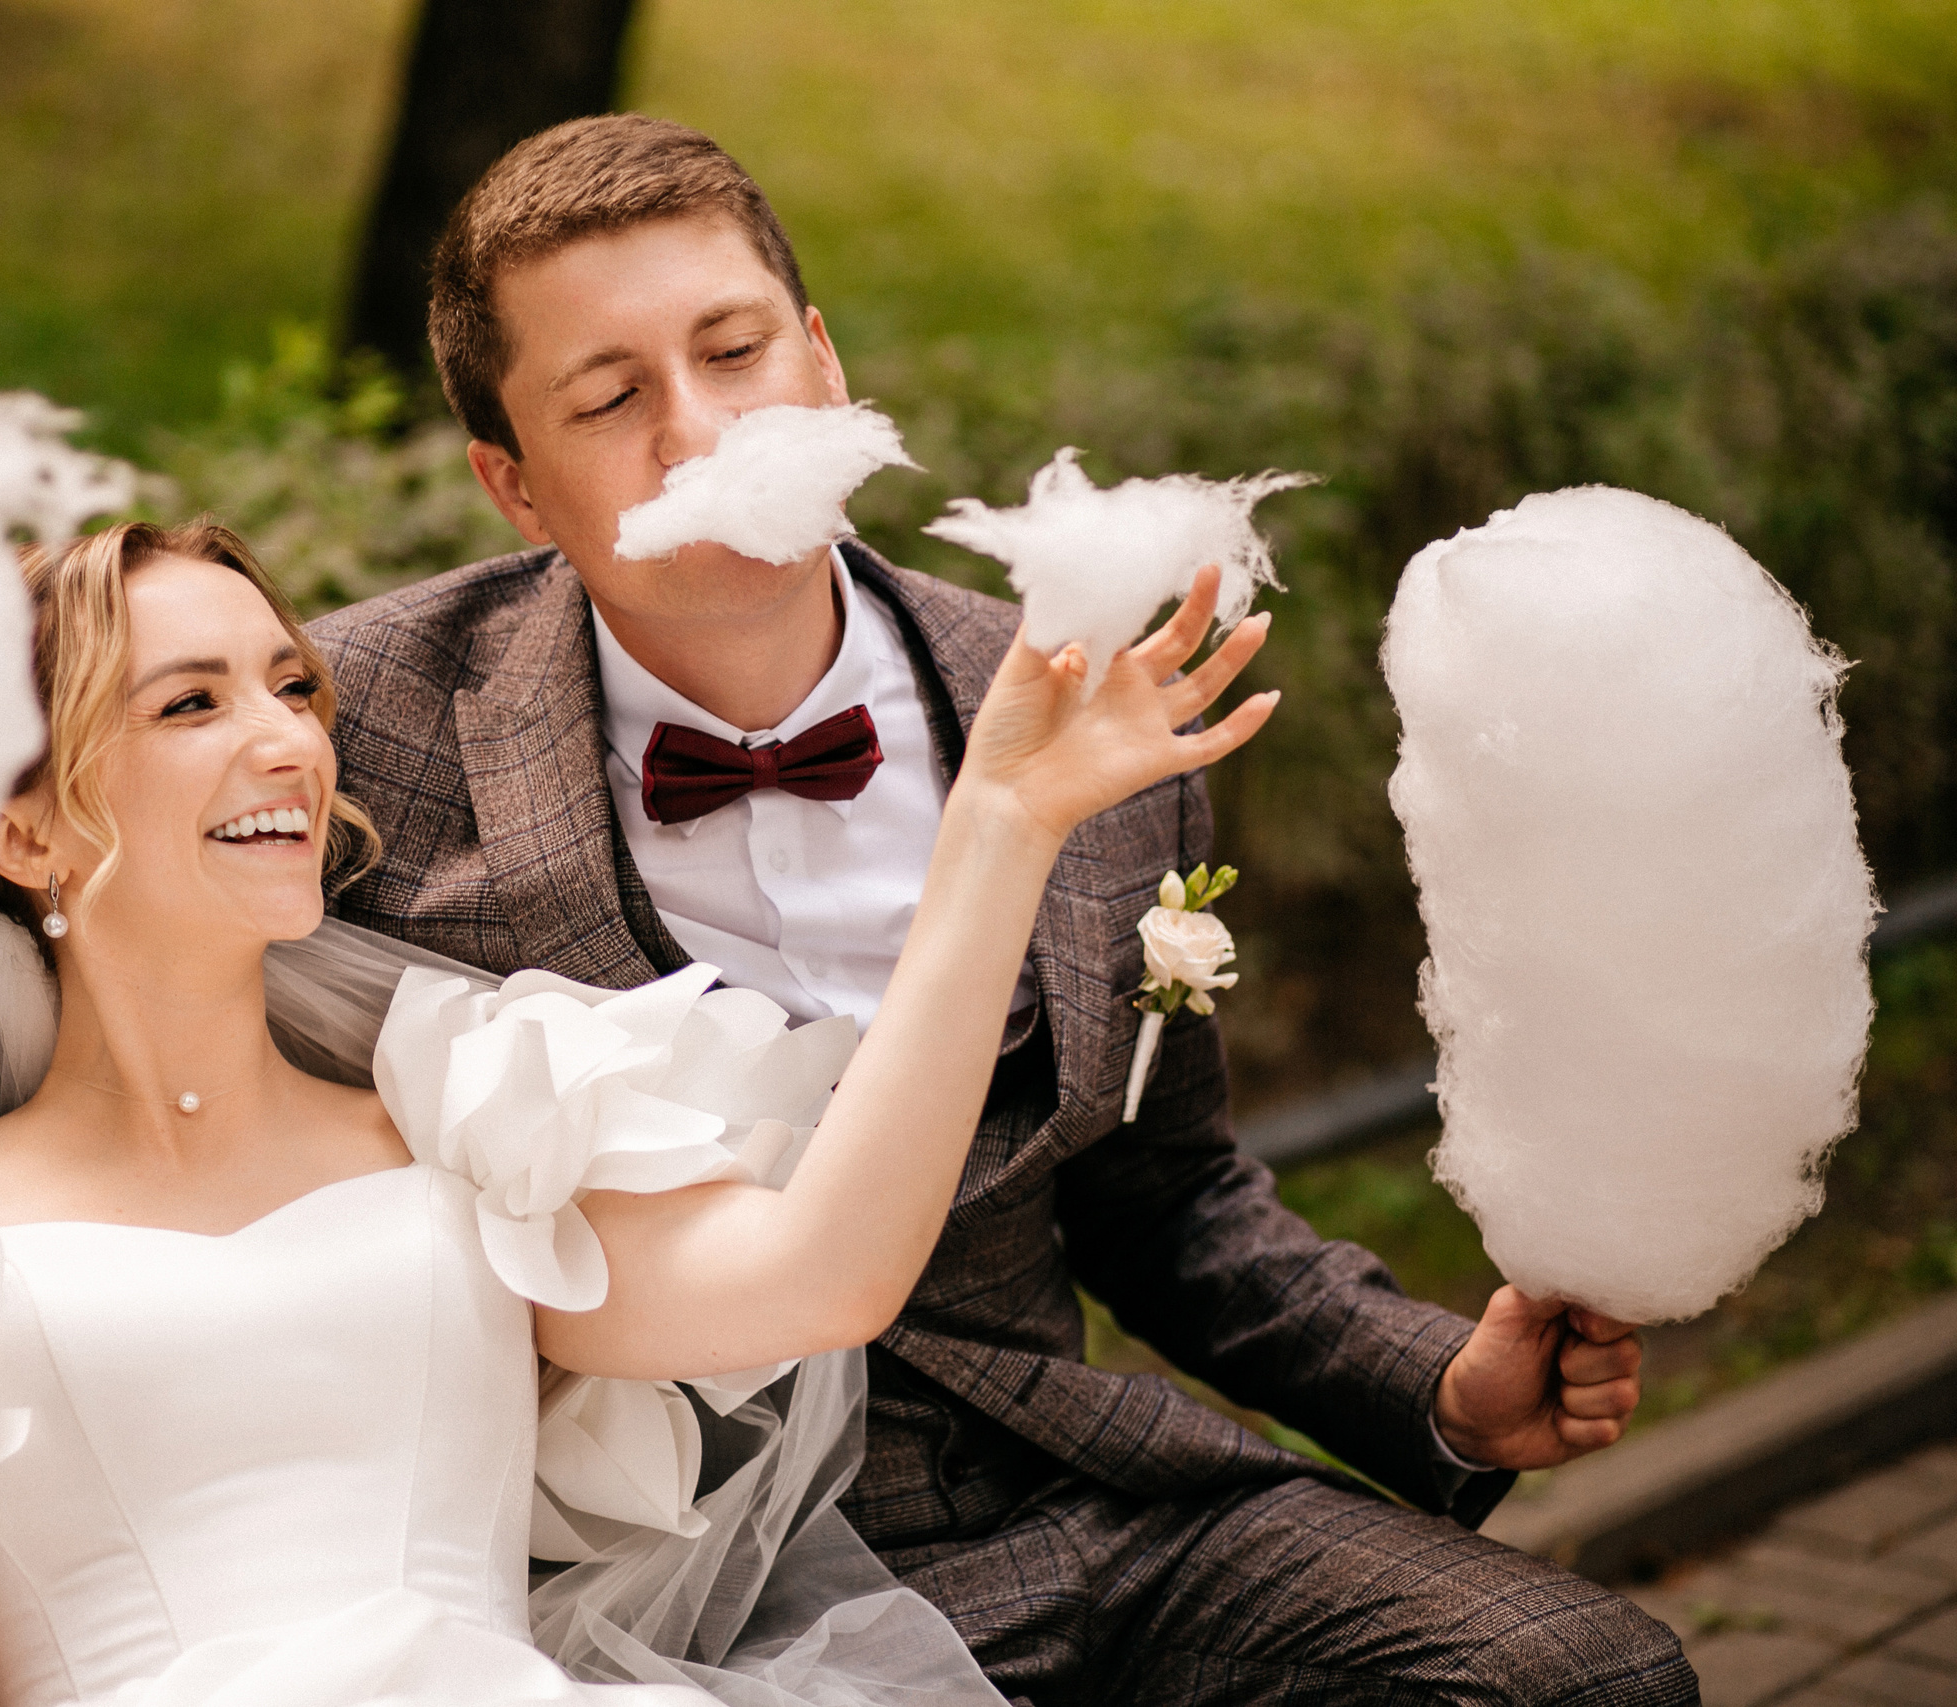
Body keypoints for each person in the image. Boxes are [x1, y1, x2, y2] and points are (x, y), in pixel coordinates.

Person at [296, 116, 1697, 1705]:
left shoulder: (1088, 700)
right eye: (609, 400)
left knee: (1579, 1678)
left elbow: (1163, 1197)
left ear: (827, 369)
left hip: (1072, 1498)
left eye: (735, 350)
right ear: (514, 486)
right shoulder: (362, 732)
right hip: (672, 1596)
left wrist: (1440, 1388)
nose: (698, 435)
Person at [0, 516, 1273, 1707]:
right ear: (24, 839)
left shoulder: (461, 1122)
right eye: (190, 704)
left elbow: (818, 1281)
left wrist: (1002, 822)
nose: (288, 744)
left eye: (289, 688)